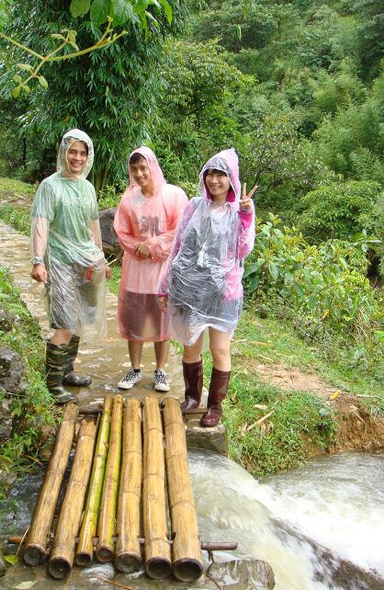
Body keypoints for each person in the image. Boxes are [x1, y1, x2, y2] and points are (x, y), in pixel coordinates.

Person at [158, 148, 256, 426]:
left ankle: (215, 407)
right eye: (210, 173)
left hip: (223, 293)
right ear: (204, 176)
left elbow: (244, 249)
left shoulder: (240, 210)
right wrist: (165, 287)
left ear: (231, 179)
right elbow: (178, 247)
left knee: (220, 350)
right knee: (190, 346)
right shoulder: (194, 206)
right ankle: (192, 398)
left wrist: (246, 216)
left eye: (221, 174)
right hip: (190, 290)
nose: (214, 180)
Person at [30, 129, 111, 404]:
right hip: (60, 261)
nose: (77, 157)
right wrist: (38, 260)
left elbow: (92, 225)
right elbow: (41, 223)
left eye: (82, 152)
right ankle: (52, 384)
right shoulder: (49, 186)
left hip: (85, 261)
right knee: (64, 321)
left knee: (78, 320)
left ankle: (67, 372)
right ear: (64, 152)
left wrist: (100, 258)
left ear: (88, 157)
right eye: (72, 151)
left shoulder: (87, 188)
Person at [113, 146, 188, 392]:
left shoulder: (174, 195)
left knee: (161, 322)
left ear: (152, 167)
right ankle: (135, 369)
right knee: (135, 320)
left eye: (143, 167)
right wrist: (139, 247)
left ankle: (160, 370)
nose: (139, 173)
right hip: (135, 271)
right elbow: (122, 232)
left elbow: (181, 229)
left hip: (162, 274)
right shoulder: (128, 199)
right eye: (134, 169)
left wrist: (152, 244)